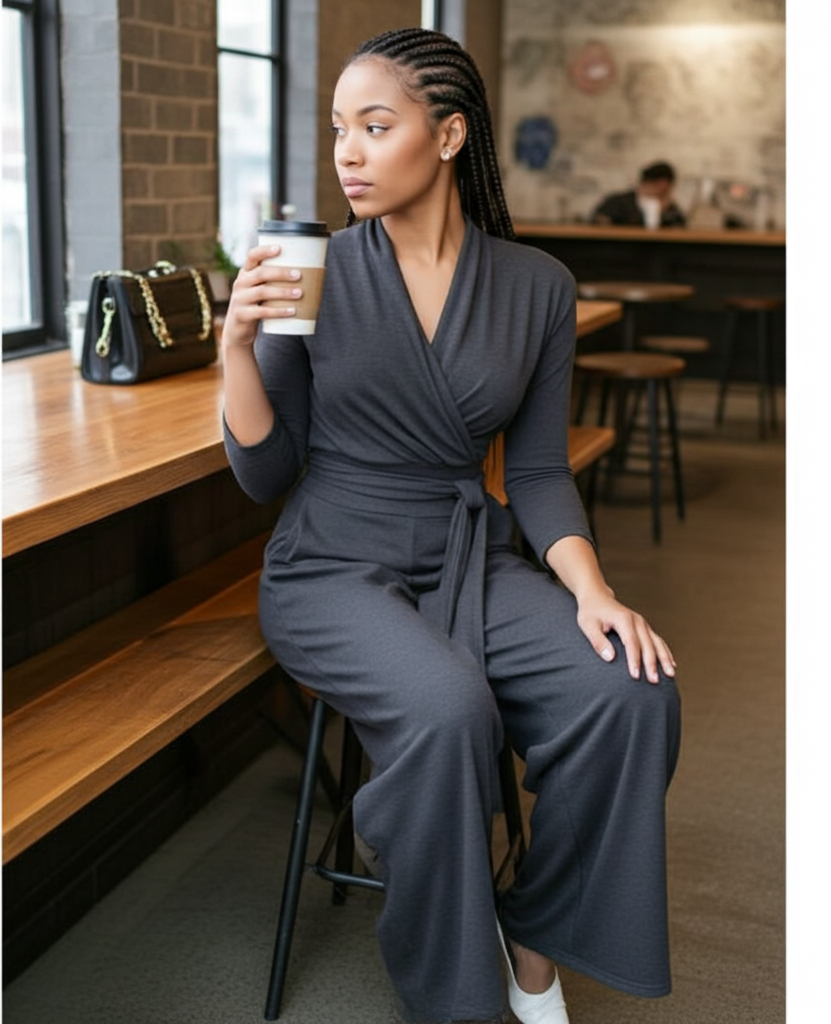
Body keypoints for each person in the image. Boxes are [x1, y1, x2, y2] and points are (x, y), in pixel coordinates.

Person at [221, 27, 681, 1024]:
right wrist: (237, 349)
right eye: (339, 128)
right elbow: (265, 472)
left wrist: (593, 592)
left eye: (374, 126)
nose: (347, 150)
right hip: (331, 564)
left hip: (470, 558)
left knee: (631, 688)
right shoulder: (317, 271)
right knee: (446, 707)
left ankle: (535, 931)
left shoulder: (538, 288)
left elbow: (541, 472)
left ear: (447, 135)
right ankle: (455, 996)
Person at [590, 161, 687, 228]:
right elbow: (599, 221)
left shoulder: (671, 210)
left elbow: (680, 227)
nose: (659, 192)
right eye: (656, 186)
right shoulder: (618, 202)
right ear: (645, 184)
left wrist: (664, 212)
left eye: (665, 190)